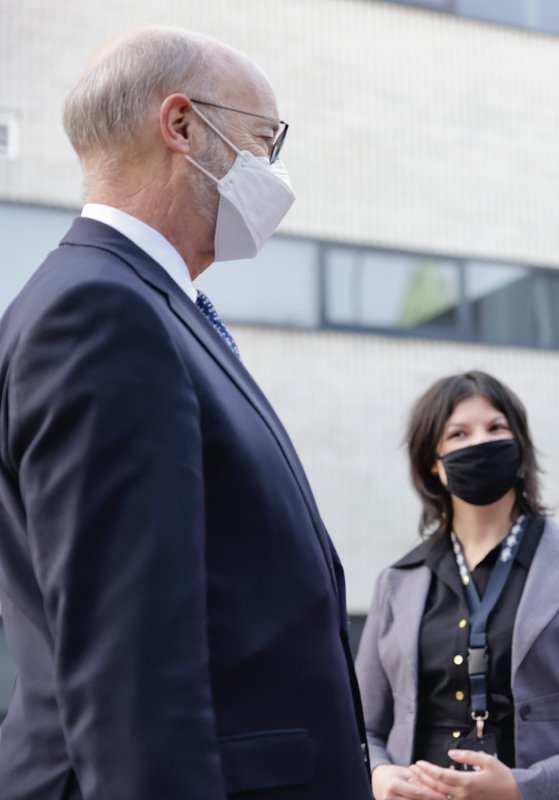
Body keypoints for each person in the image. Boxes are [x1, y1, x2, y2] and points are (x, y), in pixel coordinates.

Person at [0, 27, 371, 800]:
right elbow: (132, 666)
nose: (273, 171)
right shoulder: (103, 313)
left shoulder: (148, 305)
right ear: (181, 126)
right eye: (263, 140)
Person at [356, 371, 559, 800]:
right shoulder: (396, 583)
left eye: (496, 428)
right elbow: (362, 727)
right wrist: (380, 774)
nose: (480, 442)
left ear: (520, 447)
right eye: (458, 433)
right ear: (433, 462)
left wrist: (524, 788)